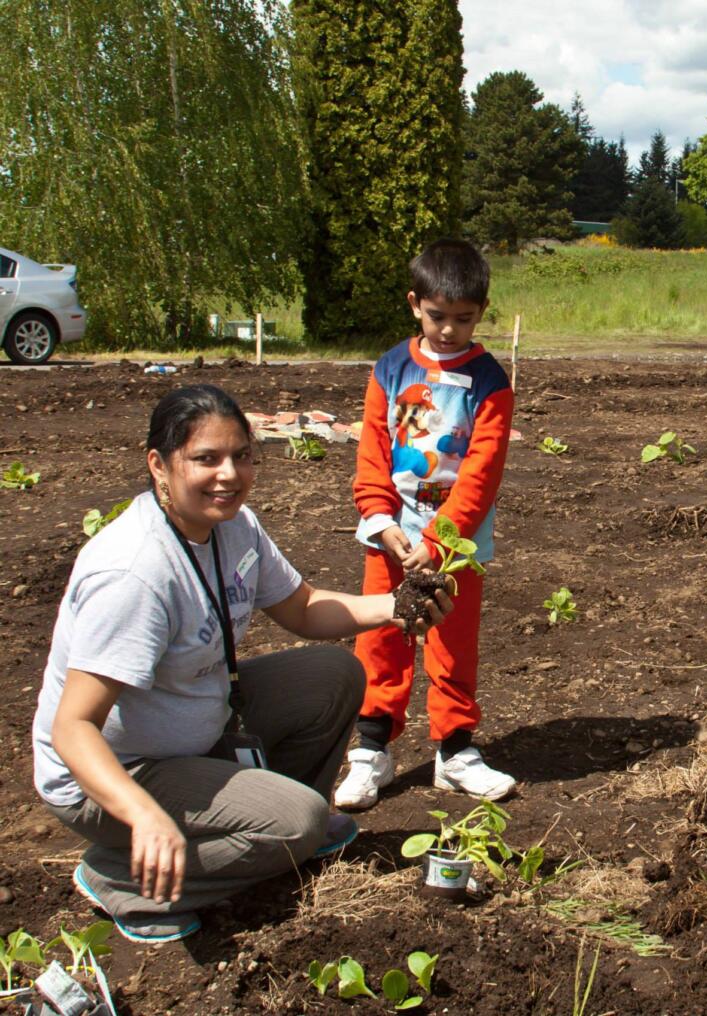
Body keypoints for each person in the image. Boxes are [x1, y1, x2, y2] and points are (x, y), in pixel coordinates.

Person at [32, 384, 451, 942]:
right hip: (115, 773)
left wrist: (399, 608)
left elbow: (302, 608)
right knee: (296, 823)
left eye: (241, 456)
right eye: (206, 459)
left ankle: (270, 832)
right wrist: (142, 813)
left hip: (190, 726)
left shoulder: (232, 525)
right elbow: (73, 727)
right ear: (159, 464)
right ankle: (122, 878)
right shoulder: (134, 574)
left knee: (334, 675)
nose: (228, 474)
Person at [335, 239, 515, 810]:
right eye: (438, 317)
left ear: (481, 312)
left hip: (457, 543)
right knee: (381, 639)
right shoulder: (390, 368)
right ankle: (371, 751)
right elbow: (371, 449)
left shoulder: (490, 381)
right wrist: (381, 519)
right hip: (390, 534)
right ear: (416, 304)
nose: (449, 330)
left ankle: (455, 751)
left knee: (452, 644)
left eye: (464, 319)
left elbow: (481, 473)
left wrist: (440, 540)